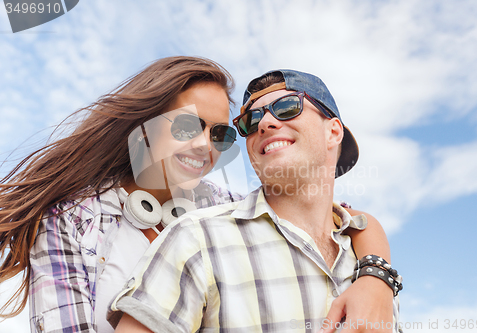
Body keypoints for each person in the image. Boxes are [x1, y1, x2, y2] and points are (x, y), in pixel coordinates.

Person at [0, 58, 394, 333]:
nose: (207, 146)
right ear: (145, 124)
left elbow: (343, 218)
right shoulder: (70, 219)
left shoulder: (220, 207)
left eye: (221, 134)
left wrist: (376, 278)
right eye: (189, 125)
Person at [109, 69, 402, 333]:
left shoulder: (371, 271)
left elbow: (358, 220)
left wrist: (377, 276)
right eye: (251, 120)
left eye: (287, 107)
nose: (265, 123)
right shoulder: (196, 239)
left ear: (333, 132)